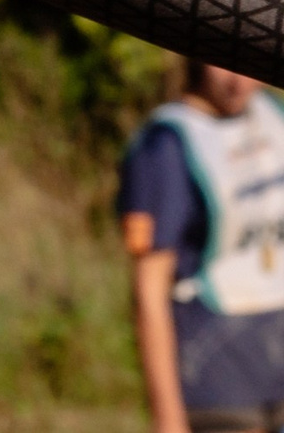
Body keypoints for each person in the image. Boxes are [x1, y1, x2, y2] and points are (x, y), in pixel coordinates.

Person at [120, 61, 284, 433]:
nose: (238, 80)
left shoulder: (274, 115)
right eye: (222, 64)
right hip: (217, 385)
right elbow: (149, 290)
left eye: (247, 62)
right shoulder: (166, 145)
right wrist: (168, 419)